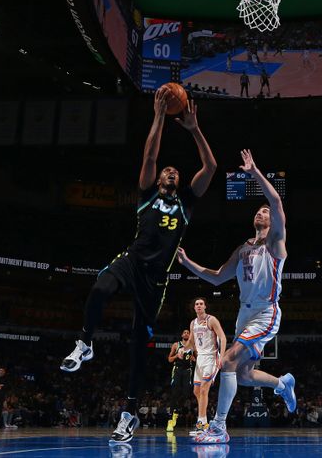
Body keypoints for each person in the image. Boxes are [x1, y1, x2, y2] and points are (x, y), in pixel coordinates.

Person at [60, 87, 217, 445]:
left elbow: (210, 167)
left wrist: (193, 129)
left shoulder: (187, 204)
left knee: (137, 348)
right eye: (167, 171)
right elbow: (149, 156)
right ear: (157, 179)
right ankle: (85, 342)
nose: (171, 172)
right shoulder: (147, 195)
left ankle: (129, 413)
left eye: (175, 171)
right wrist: (159, 116)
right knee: (100, 288)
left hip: (155, 281)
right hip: (131, 262)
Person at [177, 149, 295, 444]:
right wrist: (187, 261)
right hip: (245, 313)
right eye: (258, 210)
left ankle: (218, 427)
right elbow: (217, 275)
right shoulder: (243, 249)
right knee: (241, 374)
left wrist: (254, 171)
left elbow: (277, 201)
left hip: (266, 313)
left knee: (227, 362)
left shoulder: (276, 244)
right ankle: (283, 384)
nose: (261, 212)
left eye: (265, 212)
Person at [187, 297, 226, 434]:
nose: (198, 306)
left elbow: (223, 337)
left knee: (204, 390)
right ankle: (203, 419)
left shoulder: (211, 320)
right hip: (200, 360)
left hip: (211, 358)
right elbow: (191, 342)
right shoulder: (193, 323)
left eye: (201, 304)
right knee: (196, 392)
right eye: (196, 304)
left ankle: (202, 423)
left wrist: (222, 356)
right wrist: (183, 349)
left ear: (205, 306)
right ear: (194, 307)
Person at [166, 329, 193, 433]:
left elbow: (196, 358)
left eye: (188, 332)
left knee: (186, 394)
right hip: (177, 370)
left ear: (190, 335)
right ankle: (170, 420)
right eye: (184, 332)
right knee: (174, 394)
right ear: (182, 335)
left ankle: (176, 411)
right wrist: (176, 355)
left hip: (187, 371)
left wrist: (193, 357)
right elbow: (169, 359)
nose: (186, 334)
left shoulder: (192, 345)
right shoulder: (176, 345)